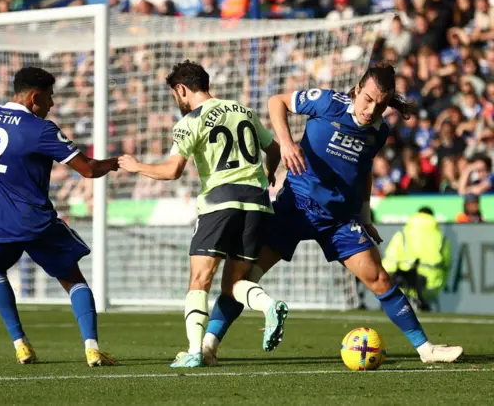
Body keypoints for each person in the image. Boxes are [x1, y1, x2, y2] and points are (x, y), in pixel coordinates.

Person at [201, 62, 463, 365]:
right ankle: (208, 346)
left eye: (380, 105)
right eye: (367, 99)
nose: (370, 110)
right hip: (295, 207)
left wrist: (365, 218)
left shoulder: (379, 132)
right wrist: (285, 143)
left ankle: (426, 350)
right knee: (245, 277)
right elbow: (277, 101)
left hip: (338, 220)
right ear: (357, 90)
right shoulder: (327, 102)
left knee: (380, 279)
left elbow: (363, 172)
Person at [118, 60, 286, 368]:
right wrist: (268, 173)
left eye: (174, 95)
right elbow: (274, 149)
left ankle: (195, 350)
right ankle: (268, 304)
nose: (176, 101)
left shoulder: (190, 121)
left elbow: (172, 171)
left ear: (181, 89)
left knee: (200, 279)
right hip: (259, 204)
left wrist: (136, 166)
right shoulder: (242, 110)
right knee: (232, 285)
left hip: (220, 204)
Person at [0, 67, 119, 366]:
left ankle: (20, 344)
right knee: (73, 279)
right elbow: (88, 169)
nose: (51, 104)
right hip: (33, 221)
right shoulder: (41, 129)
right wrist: (116, 163)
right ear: (35, 96)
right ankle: (91, 347)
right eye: (49, 97)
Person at [383, 207, 452, 311]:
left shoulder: (403, 234)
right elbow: (447, 264)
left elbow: (390, 260)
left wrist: (387, 279)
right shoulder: (441, 237)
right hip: (432, 283)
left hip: (406, 282)